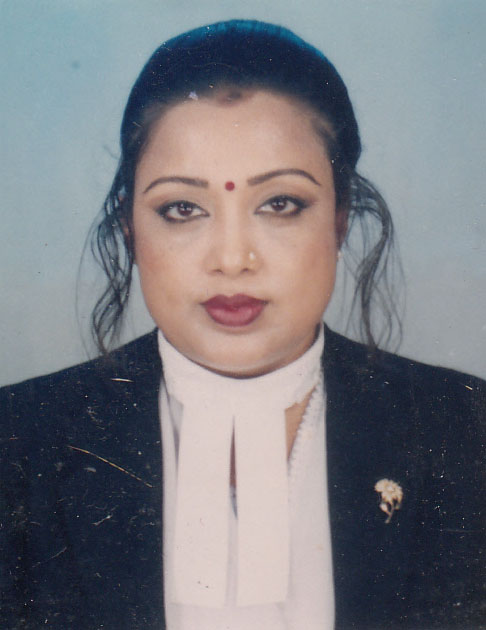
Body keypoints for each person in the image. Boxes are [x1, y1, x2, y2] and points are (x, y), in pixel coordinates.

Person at [0, 20, 484, 630]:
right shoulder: (16, 445)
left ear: (339, 219)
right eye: (183, 208)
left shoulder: (468, 436)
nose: (232, 259)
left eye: (280, 204)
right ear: (129, 227)